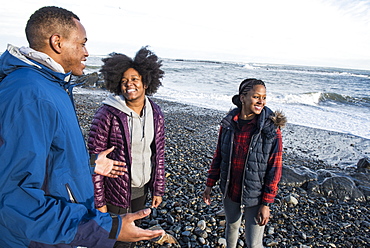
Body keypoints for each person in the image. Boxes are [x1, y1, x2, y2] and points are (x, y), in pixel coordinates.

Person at [0, 6, 164, 248]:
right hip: (37, 239)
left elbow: (47, 160)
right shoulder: (30, 94)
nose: (87, 52)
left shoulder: (53, 86)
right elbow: (14, 199)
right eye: (82, 43)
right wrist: (107, 227)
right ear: (57, 42)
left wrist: (89, 164)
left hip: (56, 231)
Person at [88, 47, 166, 248]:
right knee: (113, 241)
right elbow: (93, 161)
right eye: (124, 81)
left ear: (146, 82)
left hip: (140, 189)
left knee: (132, 236)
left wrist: (157, 188)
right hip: (114, 190)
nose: (129, 85)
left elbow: (158, 154)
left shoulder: (155, 112)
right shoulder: (106, 114)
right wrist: (99, 203)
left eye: (134, 79)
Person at [202, 79, 286, 248]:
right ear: (243, 98)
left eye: (264, 97)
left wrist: (266, 203)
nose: (261, 101)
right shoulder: (228, 124)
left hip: (256, 194)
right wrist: (210, 184)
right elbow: (219, 155)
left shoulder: (271, 130)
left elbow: (274, 169)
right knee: (231, 227)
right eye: (256, 96)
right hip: (230, 187)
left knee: (254, 243)